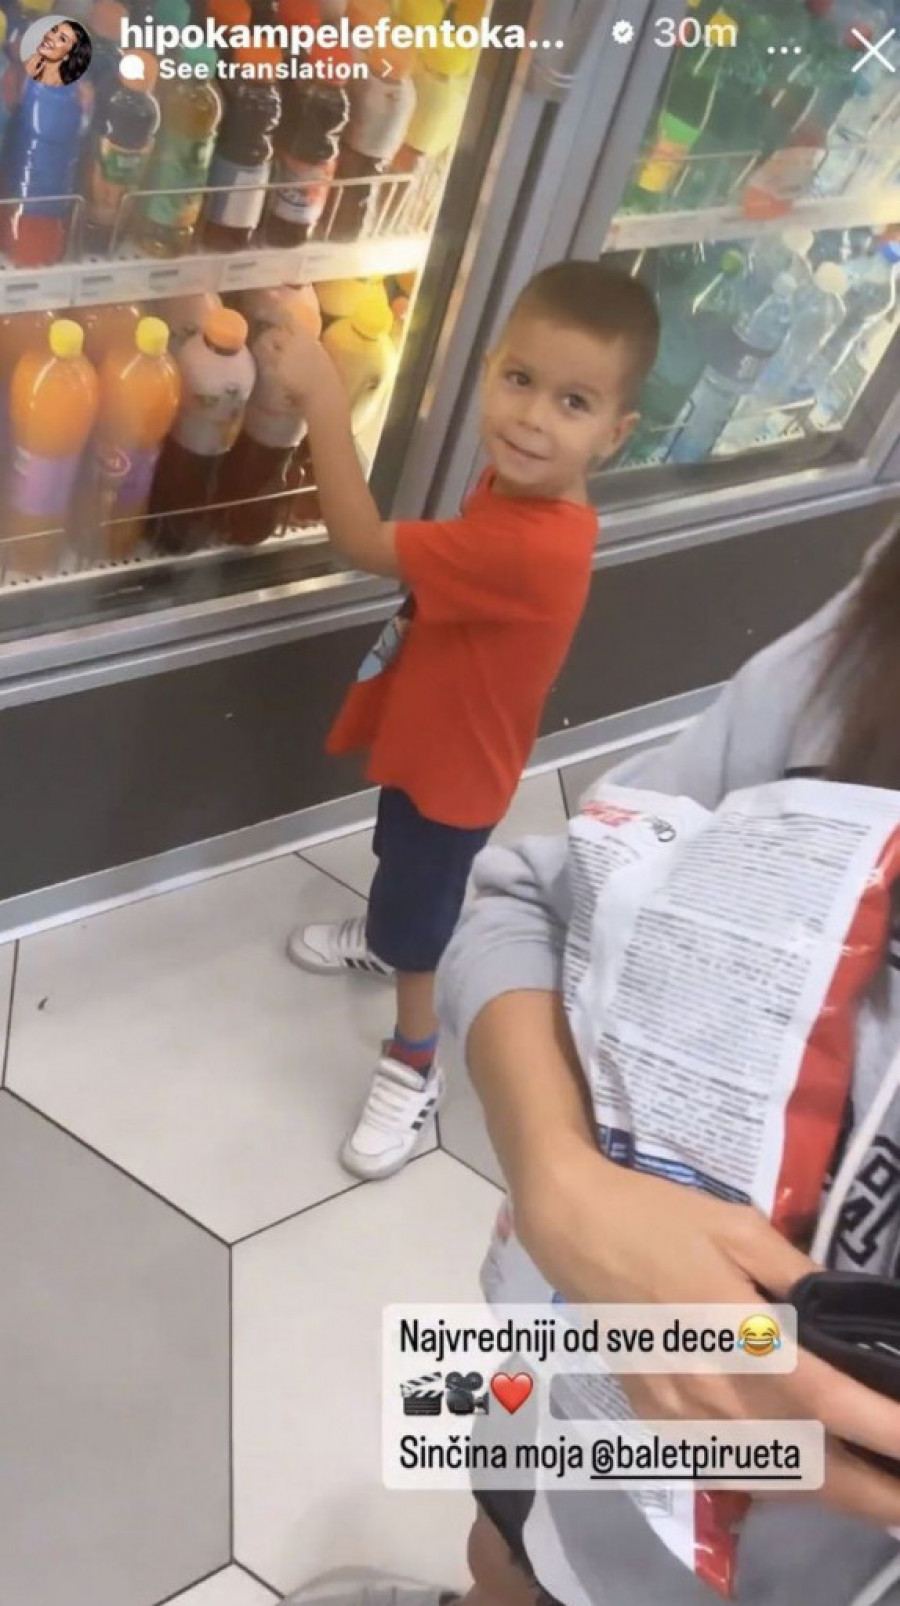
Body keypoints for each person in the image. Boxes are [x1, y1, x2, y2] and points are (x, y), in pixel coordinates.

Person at [282, 524, 900, 1606]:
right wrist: (560, 1180)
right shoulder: (867, 641)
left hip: (752, 1564)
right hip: (559, 1346)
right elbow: (529, 899)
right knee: (499, 1527)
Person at [285, 262, 660, 1182]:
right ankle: (388, 937)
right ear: (490, 367)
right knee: (402, 867)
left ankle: (414, 1062)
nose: (531, 418)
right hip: (434, 739)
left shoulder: (525, 543)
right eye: (520, 380)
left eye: (572, 402)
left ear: (615, 433)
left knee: (423, 920)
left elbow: (359, 542)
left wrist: (323, 400)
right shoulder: (527, 492)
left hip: (455, 774)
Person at [24, 17, 92, 86]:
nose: (50, 36)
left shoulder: (71, 87)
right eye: (53, 30)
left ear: (67, 55)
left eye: (62, 39)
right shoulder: (27, 66)